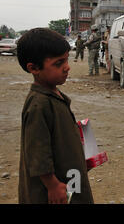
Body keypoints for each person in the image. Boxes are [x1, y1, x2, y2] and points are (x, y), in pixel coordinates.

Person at [16, 28, 94, 204]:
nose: (67, 67)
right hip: (54, 186)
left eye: (66, 60)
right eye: (59, 63)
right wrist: (51, 185)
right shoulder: (39, 104)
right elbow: (37, 151)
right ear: (34, 68)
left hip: (69, 176)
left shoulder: (55, 94)